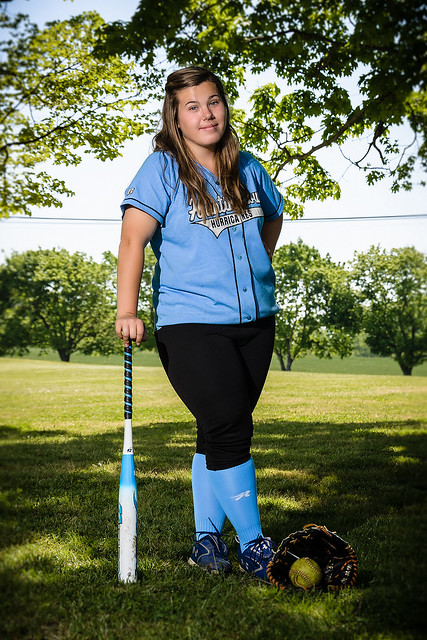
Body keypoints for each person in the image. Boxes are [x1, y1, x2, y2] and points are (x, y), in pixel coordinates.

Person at [115, 66, 284, 581]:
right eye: (192, 106)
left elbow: (273, 217)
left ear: (225, 107)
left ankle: (207, 543)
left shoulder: (248, 168)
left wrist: (258, 267)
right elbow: (131, 241)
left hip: (256, 323)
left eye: (213, 102)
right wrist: (127, 309)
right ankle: (255, 547)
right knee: (233, 427)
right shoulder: (162, 169)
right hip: (190, 323)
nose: (206, 113)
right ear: (176, 115)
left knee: (215, 432)